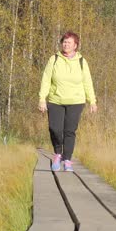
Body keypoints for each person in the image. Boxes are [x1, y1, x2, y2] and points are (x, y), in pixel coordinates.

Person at [38, 31, 97, 172]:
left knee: (70, 131)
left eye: (68, 42)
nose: (65, 44)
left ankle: (67, 159)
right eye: (64, 41)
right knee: (55, 128)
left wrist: (92, 101)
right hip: (55, 100)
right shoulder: (54, 59)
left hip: (76, 101)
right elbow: (46, 79)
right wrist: (42, 99)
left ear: (75, 45)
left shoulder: (82, 62)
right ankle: (58, 153)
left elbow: (87, 82)